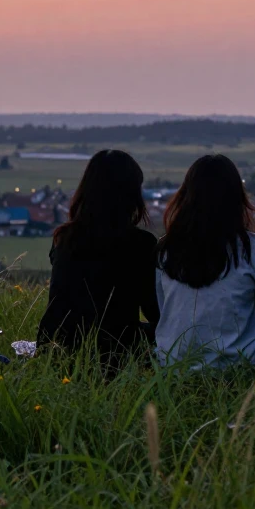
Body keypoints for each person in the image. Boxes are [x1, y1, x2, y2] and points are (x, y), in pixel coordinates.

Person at [155, 154, 255, 370]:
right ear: (236, 197)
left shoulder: (166, 249)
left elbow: (163, 308)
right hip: (240, 364)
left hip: (174, 365)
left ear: (186, 195)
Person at [36, 149, 159, 367]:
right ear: (131, 194)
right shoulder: (141, 244)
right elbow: (154, 311)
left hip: (55, 349)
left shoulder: (64, 238)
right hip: (114, 352)